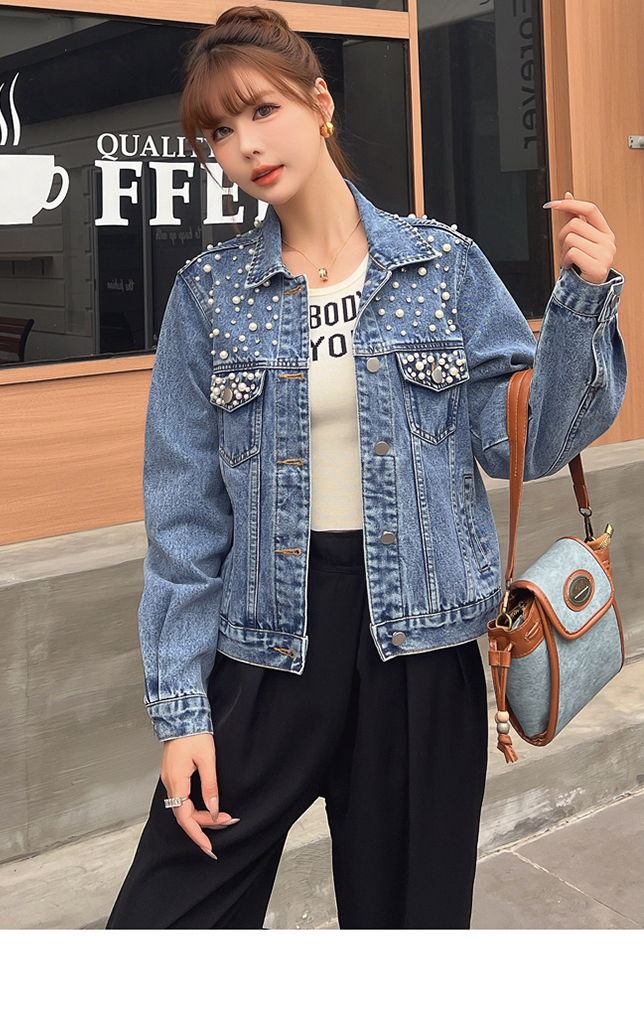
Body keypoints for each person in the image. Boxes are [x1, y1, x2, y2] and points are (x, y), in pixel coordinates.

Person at [105, 5, 626, 929]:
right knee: (167, 920)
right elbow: (185, 518)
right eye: (219, 132)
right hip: (264, 650)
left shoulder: (442, 266)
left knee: (408, 932)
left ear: (321, 103)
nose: (245, 145)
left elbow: (523, 445)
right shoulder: (209, 296)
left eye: (262, 110)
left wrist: (583, 303)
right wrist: (182, 712)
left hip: (421, 651)